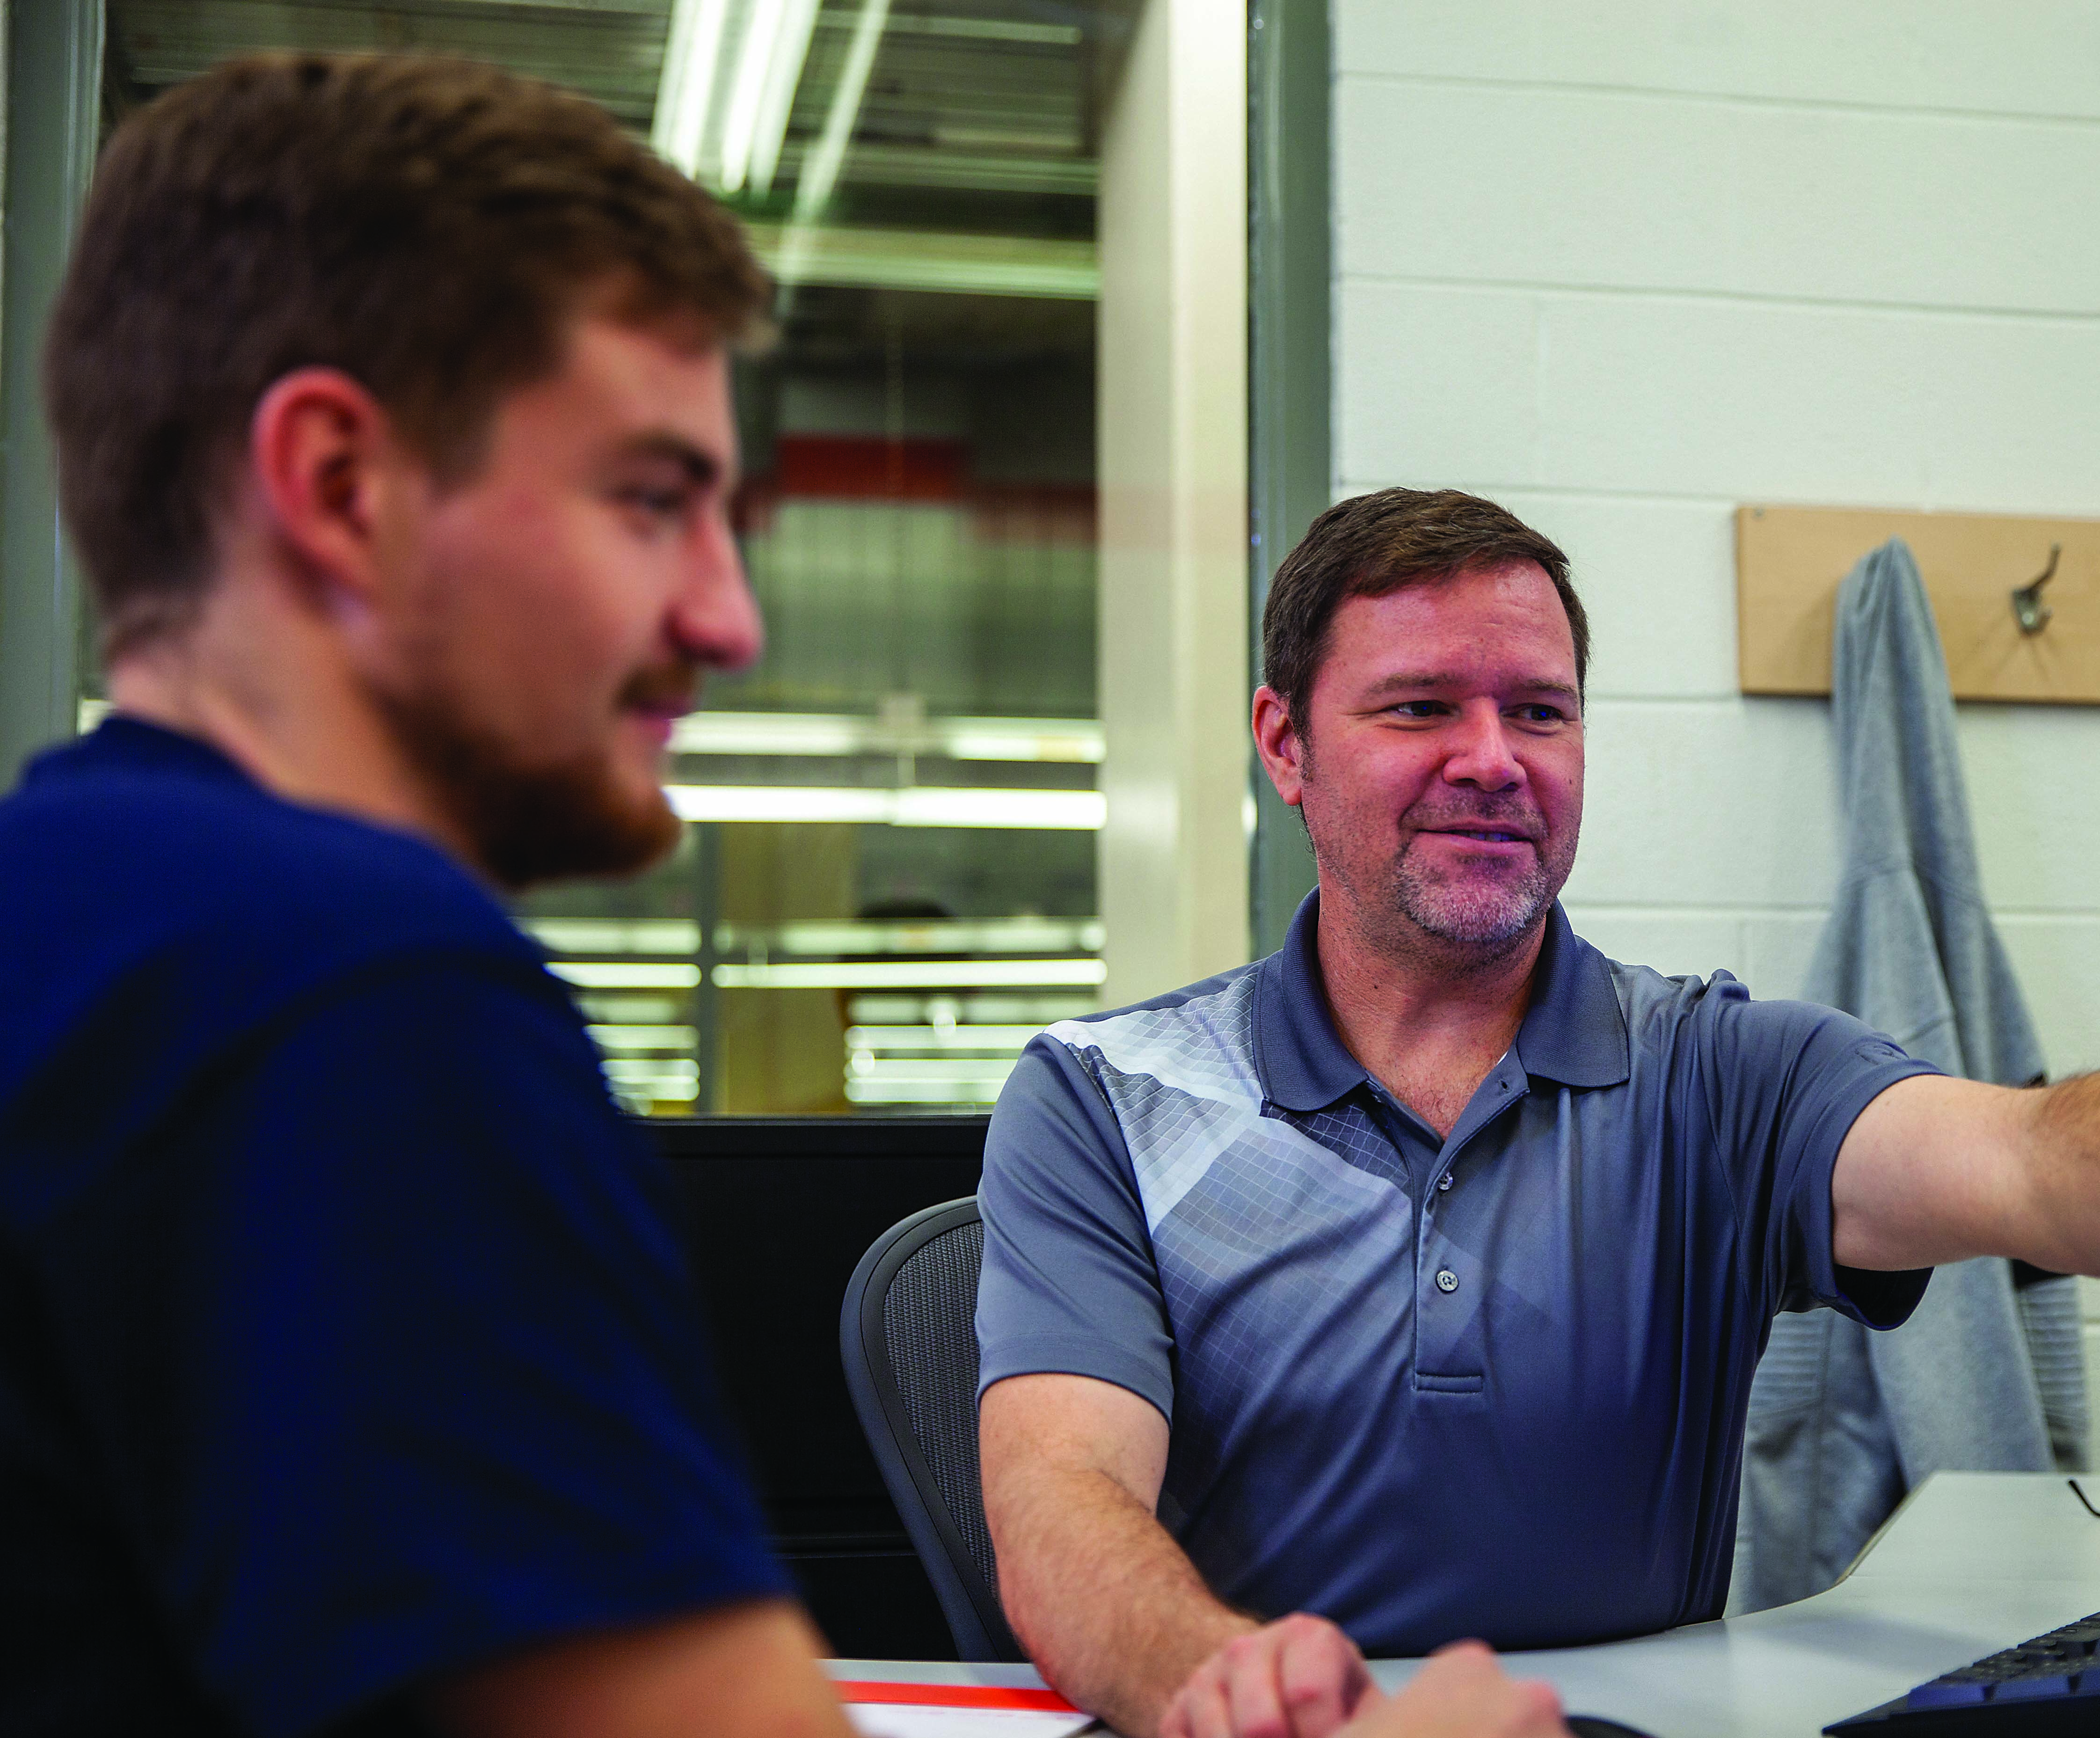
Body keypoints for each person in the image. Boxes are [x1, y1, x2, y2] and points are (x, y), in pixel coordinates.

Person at [0, 58, 1568, 1738]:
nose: (731, 619)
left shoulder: (62, 915)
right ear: (336, 483)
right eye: (652, 501)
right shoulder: (346, 996)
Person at [974, 487, 2100, 1738]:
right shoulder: (1109, 1100)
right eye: (1416, 710)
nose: (1492, 761)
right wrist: (1242, 1697)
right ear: (1283, 746)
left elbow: (2031, 1158)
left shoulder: (1717, 1075)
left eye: (1540, 710)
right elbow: (1059, 1498)